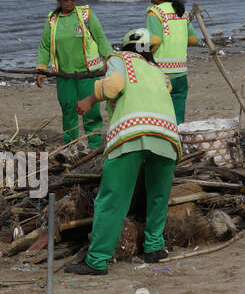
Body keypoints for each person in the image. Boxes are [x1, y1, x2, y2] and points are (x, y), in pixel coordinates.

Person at [66, 29, 180, 275]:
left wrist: (90, 98)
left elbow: (114, 86)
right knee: (158, 196)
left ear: (126, 47)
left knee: (112, 199)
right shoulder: (159, 71)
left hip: (132, 133)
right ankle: (154, 247)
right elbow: (167, 89)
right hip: (167, 135)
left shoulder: (120, 59)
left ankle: (96, 260)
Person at [36, 0, 112, 150]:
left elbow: (100, 39)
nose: (69, 2)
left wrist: (111, 60)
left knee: (91, 113)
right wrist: (41, 69)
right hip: (64, 76)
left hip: (88, 74)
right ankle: (70, 146)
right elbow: (45, 46)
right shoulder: (52, 20)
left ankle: (94, 146)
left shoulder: (86, 14)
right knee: (68, 111)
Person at [144, 0, 197, 125]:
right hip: (181, 73)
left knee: (160, 115)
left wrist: (139, 52)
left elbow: (155, 41)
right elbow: (193, 40)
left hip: (161, 73)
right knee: (178, 117)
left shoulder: (154, 12)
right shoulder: (182, 12)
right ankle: (178, 143)